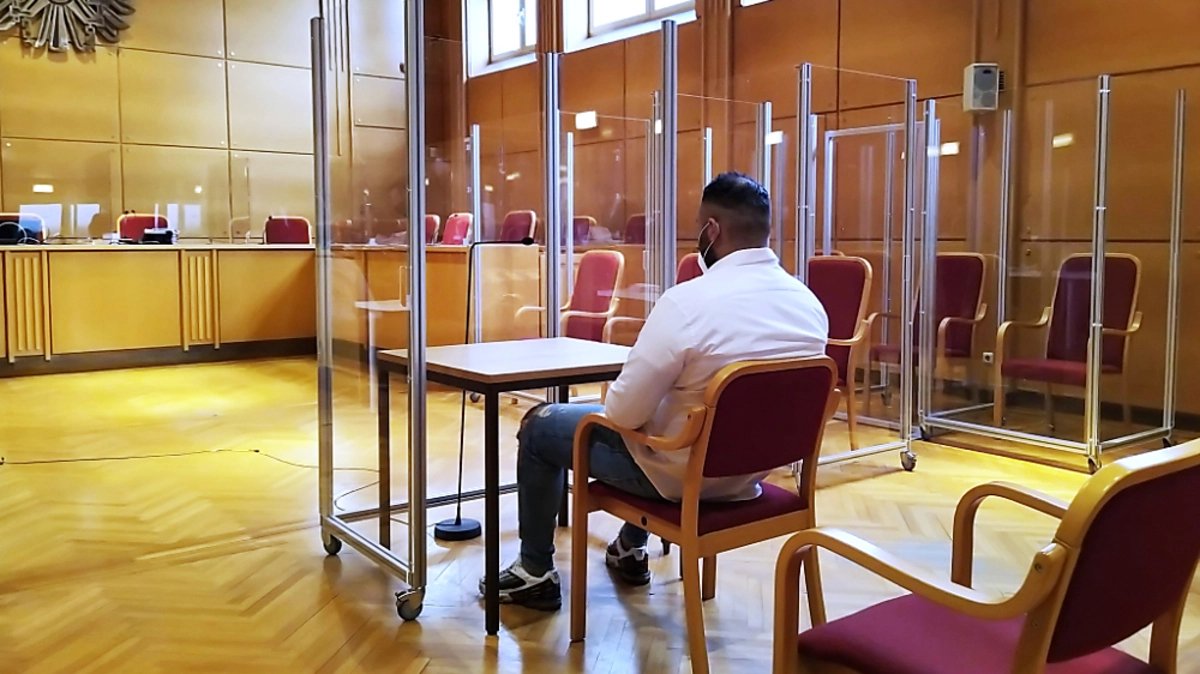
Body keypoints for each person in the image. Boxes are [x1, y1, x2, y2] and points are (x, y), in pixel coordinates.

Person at [480, 172, 830, 610]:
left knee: (542, 426)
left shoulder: (686, 303)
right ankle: (630, 548)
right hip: (752, 476)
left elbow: (622, 414)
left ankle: (534, 571)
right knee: (670, 417)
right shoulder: (809, 306)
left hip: (681, 478)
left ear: (712, 230)